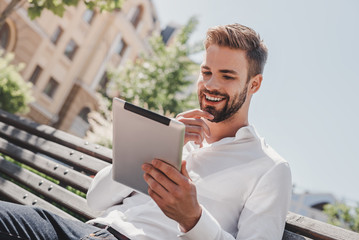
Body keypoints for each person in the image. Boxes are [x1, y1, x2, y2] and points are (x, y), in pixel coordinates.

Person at [0, 23, 292, 240]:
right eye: (206, 73)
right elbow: (96, 200)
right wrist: (158, 141)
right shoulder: (176, 134)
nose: (211, 85)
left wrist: (193, 219)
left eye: (227, 75)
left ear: (254, 84)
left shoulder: (268, 168)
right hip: (89, 231)